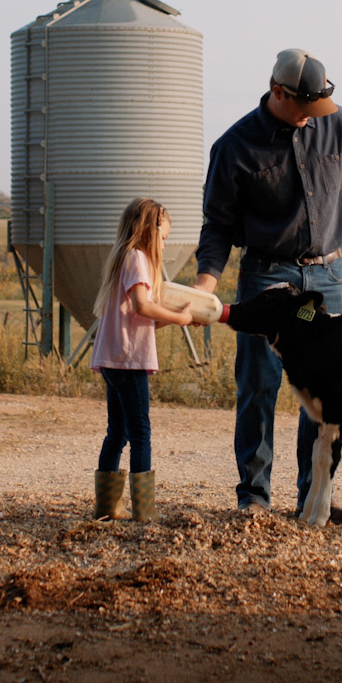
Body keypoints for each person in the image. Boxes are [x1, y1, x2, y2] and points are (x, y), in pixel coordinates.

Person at [194, 48, 342, 519]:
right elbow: (217, 225)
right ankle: (254, 498)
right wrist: (205, 285)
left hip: (329, 274)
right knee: (258, 386)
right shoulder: (235, 146)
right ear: (278, 91)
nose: (311, 118)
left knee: (326, 391)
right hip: (267, 275)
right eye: (304, 107)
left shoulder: (338, 125)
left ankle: (313, 498)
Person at [91, 197, 193, 522]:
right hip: (127, 359)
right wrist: (180, 319)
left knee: (117, 432)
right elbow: (142, 307)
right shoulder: (137, 258)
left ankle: (107, 508)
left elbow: (142, 319)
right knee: (140, 433)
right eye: (164, 236)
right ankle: (144, 513)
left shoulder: (126, 257)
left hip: (113, 357)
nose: (165, 242)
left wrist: (180, 316)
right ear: (150, 228)